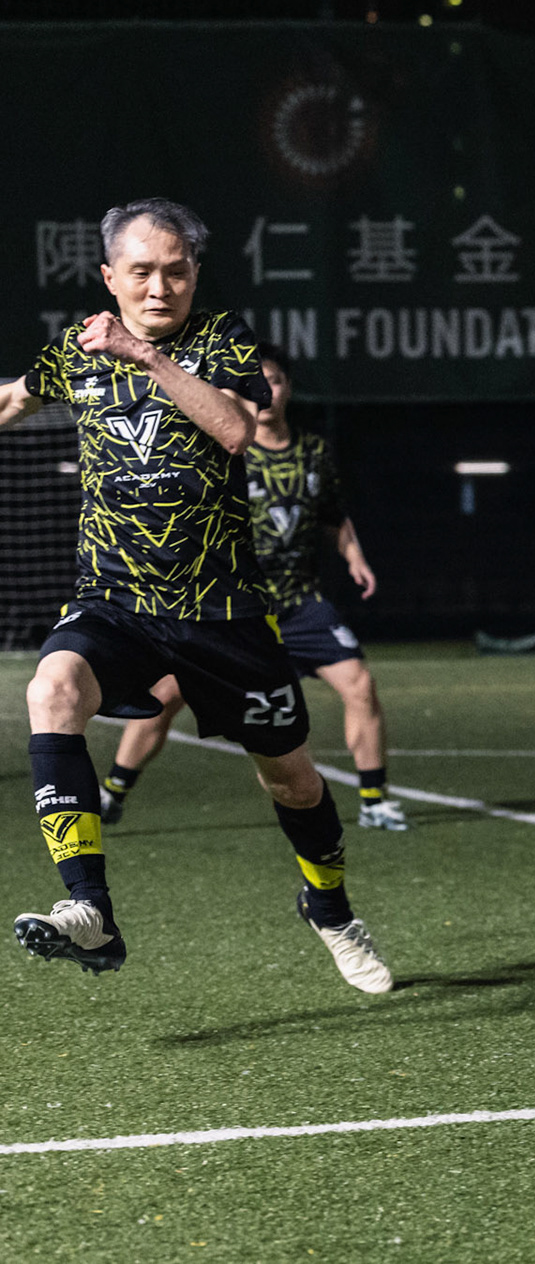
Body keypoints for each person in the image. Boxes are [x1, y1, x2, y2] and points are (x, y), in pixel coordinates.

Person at [0, 198, 391, 992]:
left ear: (194, 274)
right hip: (115, 599)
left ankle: (330, 908)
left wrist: (146, 359)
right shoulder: (73, 354)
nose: (158, 287)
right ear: (109, 276)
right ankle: (91, 909)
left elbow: (237, 429)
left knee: (292, 779)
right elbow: (10, 400)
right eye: (140, 271)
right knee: (52, 688)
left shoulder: (221, 340)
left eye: (175, 270)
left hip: (223, 613)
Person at [98, 345, 408, 833]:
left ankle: (375, 801)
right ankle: (113, 791)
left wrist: (356, 557)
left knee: (361, 685)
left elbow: (332, 514)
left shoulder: (315, 452)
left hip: (301, 603)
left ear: (289, 388)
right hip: (234, 605)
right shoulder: (222, 450)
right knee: (167, 693)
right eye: (254, 382)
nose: (266, 391)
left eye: (276, 380)